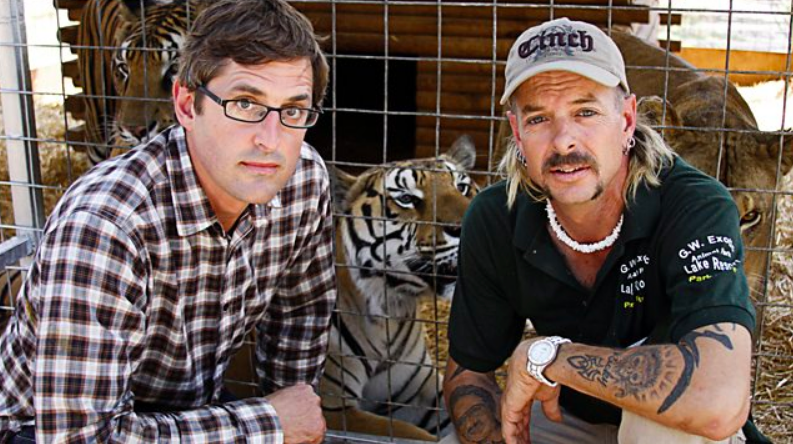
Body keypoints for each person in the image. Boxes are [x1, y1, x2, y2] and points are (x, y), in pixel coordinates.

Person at [0, 0, 335, 442]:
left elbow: (300, 319)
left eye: (292, 110)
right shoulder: (104, 227)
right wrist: (268, 424)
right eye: (245, 103)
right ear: (185, 104)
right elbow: (77, 437)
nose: (270, 139)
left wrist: (290, 425)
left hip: (191, 413)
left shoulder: (303, 181)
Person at [444, 18, 769, 444]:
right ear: (518, 133)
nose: (564, 142)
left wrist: (549, 356)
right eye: (540, 118)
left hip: (676, 423)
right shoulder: (496, 213)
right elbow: (468, 373)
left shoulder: (697, 204)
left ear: (628, 119)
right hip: (565, 418)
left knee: (662, 434)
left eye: (586, 112)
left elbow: (717, 405)